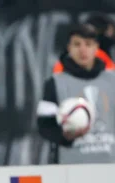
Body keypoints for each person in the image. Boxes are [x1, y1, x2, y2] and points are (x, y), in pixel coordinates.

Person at [38, 24, 115, 164]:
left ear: (96, 48)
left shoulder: (112, 80)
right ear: (69, 48)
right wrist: (65, 137)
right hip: (70, 168)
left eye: (88, 44)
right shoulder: (55, 83)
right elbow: (44, 125)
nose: (83, 49)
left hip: (110, 165)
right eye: (77, 44)